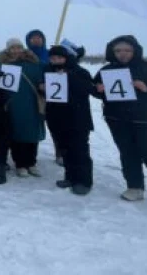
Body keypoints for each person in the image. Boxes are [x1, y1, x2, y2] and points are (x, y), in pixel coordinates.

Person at [93, 35, 147, 215]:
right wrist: (98, 90)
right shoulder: (106, 70)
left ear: (135, 51)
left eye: (127, 50)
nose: (122, 54)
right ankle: (135, 187)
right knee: (128, 154)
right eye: (118, 51)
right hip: (117, 120)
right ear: (112, 52)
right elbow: (96, 90)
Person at [44, 44, 95, 195]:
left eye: (59, 57)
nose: (56, 60)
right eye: (53, 58)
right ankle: (70, 177)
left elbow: (88, 89)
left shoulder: (80, 72)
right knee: (65, 150)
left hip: (77, 119)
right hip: (57, 118)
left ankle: (84, 181)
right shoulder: (50, 72)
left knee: (79, 150)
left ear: (66, 58)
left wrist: (68, 77)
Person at [0, 38, 45, 177]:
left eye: (19, 47)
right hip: (12, 103)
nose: (16, 50)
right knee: (16, 133)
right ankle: (20, 163)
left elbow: (44, 76)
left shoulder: (34, 63)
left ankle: (31, 162)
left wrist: (43, 85)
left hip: (31, 103)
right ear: (8, 50)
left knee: (32, 133)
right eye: (13, 48)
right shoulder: (3, 65)